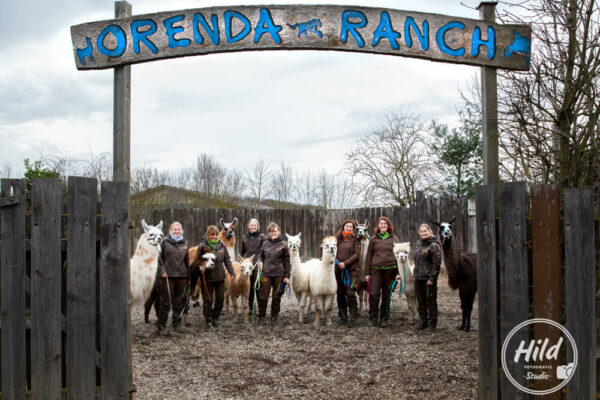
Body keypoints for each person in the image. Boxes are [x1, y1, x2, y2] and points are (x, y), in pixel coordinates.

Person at [364, 216, 400, 327]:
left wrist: (399, 272)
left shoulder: (394, 239)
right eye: (381, 224)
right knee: (374, 294)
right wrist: (367, 273)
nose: (383, 225)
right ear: (378, 226)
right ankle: (373, 317)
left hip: (390, 270)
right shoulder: (374, 239)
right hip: (376, 270)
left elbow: (398, 255)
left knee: (386, 295)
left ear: (388, 225)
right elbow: (369, 256)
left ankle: (384, 318)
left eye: (385, 223)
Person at [197, 225, 235, 329]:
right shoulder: (202, 246)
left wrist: (232, 272)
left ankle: (215, 318)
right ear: (208, 235)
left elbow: (227, 260)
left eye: (215, 235)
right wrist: (202, 266)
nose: (214, 237)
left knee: (220, 299)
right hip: (207, 277)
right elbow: (198, 260)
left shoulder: (221, 245)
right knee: (208, 299)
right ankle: (208, 321)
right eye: (211, 235)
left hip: (220, 276)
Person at [156, 222, 190, 336]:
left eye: (179, 229)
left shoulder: (185, 243)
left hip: (181, 276)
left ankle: (177, 324)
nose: (177, 231)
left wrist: (188, 276)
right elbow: (159, 258)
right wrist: (162, 271)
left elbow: (187, 260)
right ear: (171, 230)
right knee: (165, 301)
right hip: (168, 276)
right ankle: (161, 326)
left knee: (179, 301)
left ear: (182, 231)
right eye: (175, 229)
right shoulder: (165, 242)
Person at [257, 222, 291, 326]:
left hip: (279, 274)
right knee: (263, 296)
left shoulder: (284, 244)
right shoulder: (265, 243)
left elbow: (287, 262)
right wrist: (260, 261)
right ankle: (262, 317)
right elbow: (260, 256)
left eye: (275, 231)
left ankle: (274, 317)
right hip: (266, 273)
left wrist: (287, 276)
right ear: (269, 232)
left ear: (278, 231)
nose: (273, 233)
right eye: (271, 232)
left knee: (277, 296)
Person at [413, 223, 441, 332]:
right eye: (422, 231)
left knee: (431, 301)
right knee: (421, 301)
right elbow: (416, 262)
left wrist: (432, 278)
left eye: (425, 231)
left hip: (428, 279)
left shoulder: (434, 245)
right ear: (419, 233)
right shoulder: (418, 244)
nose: (423, 233)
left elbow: (437, 264)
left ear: (429, 231)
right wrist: (415, 275)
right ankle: (423, 321)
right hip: (418, 278)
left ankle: (432, 324)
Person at [334, 219, 361, 327]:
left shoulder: (356, 240)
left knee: (350, 293)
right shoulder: (337, 239)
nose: (349, 228)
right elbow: (331, 251)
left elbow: (357, 254)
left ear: (353, 229)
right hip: (338, 270)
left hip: (352, 270)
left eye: (351, 227)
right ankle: (343, 316)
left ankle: (353, 317)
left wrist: (345, 263)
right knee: (340, 294)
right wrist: (337, 262)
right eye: (347, 226)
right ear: (343, 227)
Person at [241, 218, 266, 316]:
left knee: (257, 286)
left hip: (257, 264)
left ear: (258, 226)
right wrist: (242, 262)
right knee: (249, 287)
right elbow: (242, 251)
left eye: (255, 225)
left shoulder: (262, 237)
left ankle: (261, 309)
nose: (253, 226)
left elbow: (264, 250)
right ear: (248, 226)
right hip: (248, 265)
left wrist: (261, 260)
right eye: (251, 225)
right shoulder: (245, 237)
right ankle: (251, 308)